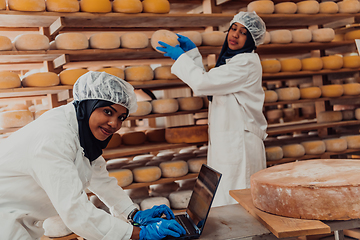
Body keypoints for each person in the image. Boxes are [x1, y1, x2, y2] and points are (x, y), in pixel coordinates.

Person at [0, 71, 186, 240]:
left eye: (121, 117)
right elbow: (76, 212)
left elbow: (100, 180)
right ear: (88, 105)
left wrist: (132, 214)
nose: (114, 124)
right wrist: (138, 234)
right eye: (108, 111)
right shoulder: (54, 138)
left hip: (20, 221)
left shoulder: (82, 132)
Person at [157, 11, 268, 207]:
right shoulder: (234, 62)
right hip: (229, 141)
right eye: (233, 28)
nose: (234, 35)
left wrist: (181, 58)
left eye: (243, 32)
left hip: (239, 144)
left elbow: (202, 83)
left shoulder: (245, 63)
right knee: (226, 199)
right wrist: (192, 54)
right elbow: (212, 85)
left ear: (251, 39)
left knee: (238, 202)